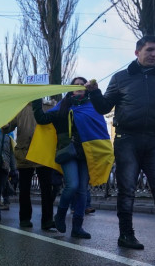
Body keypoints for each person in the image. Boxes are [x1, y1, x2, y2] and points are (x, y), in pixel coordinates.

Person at [86, 35, 155, 251]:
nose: (154, 54)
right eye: (150, 50)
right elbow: (104, 108)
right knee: (127, 190)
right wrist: (94, 93)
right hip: (127, 139)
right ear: (138, 52)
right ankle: (126, 236)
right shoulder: (121, 78)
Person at [33, 76, 109, 239]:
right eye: (76, 85)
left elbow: (100, 128)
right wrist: (36, 96)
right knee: (72, 185)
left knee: (82, 190)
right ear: (70, 88)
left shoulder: (92, 107)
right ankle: (60, 215)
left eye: (82, 85)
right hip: (67, 152)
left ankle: (77, 227)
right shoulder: (63, 107)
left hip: (85, 153)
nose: (79, 87)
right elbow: (42, 119)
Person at [1, 104, 55, 229]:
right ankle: (24, 219)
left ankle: (47, 220)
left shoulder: (49, 106)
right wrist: (5, 125)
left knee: (46, 189)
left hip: (43, 153)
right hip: (25, 152)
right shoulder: (19, 108)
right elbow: (8, 127)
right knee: (24, 189)